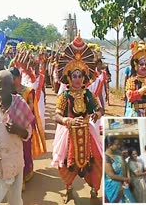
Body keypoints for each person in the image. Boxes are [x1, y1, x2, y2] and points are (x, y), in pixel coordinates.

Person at [51, 33, 103, 203]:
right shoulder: (65, 95)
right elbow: (56, 115)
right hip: (68, 133)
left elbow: (100, 108)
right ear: (68, 77)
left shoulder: (88, 93)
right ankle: (68, 189)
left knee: (97, 161)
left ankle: (94, 192)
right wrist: (68, 121)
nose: (78, 79)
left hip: (88, 131)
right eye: (74, 76)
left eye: (80, 75)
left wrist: (97, 114)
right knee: (65, 164)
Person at [0, 70, 34, 205]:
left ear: (12, 87)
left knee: (15, 201)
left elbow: (28, 134)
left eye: (6, 85)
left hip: (15, 163)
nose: (1, 88)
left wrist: (18, 130)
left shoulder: (20, 105)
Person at [10, 67, 46, 189]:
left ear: (19, 78)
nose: (12, 81)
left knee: (25, 151)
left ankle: (26, 173)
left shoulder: (27, 91)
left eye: (13, 78)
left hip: (24, 126)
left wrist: (19, 115)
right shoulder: (7, 92)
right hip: (11, 127)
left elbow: (30, 108)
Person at [104, 136, 135, 203]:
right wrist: (125, 179)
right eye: (117, 144)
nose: (119, 146)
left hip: (124, 185)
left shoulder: (118, 153)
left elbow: (125, 165)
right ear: (110, 145)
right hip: (113, 188)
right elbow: (111, 175)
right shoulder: (106, 158)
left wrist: (128, 177)